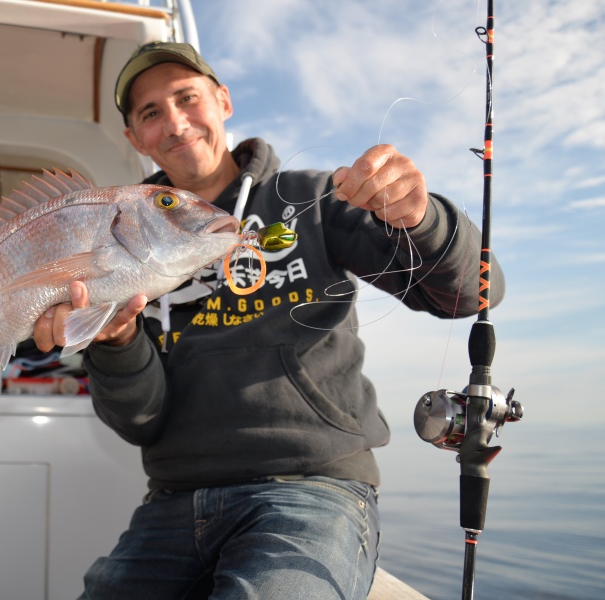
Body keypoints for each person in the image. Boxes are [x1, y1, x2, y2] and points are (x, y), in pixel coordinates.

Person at [33, 41, 505, 600]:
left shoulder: (312, 197)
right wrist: (114, 339)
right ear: (136, 139)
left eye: (187, 98)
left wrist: (421, 218)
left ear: (223, 101)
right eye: (151, 113)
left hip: (313, 490)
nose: (177, 123)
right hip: (171, 500)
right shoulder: (122, 240)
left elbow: (470, 293)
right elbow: (141, 420)